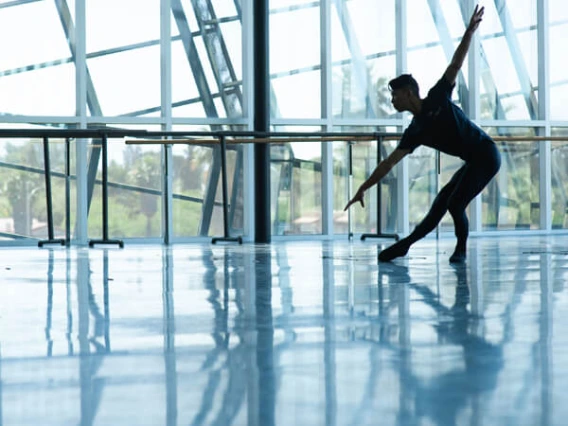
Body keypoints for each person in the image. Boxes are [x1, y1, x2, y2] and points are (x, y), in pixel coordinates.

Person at [344, 4, 501, 264]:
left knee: (455, 203)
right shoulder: (415, 131)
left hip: (487, 154)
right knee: (440, 203)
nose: (392, 100)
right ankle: (405, 246)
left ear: (408, 92)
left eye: (394, 95)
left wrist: (469, 33)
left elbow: (456, 64)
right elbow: (389, 163)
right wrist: (363, 187)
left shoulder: (437, 97)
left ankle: (461, 250)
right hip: (473, 161)